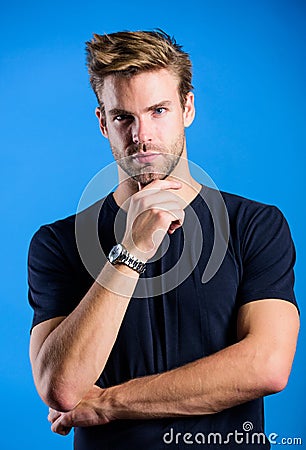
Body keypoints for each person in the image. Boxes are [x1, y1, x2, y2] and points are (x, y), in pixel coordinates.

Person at [28, 30, 299, 449]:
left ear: (187, 108)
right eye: (123, 117)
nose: (142, 136)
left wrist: (107, 404)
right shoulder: (58, 243)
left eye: (158, 110)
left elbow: (266, 365)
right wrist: (131, 249)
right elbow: (61, 387)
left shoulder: (255, 226)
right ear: (103, 122)